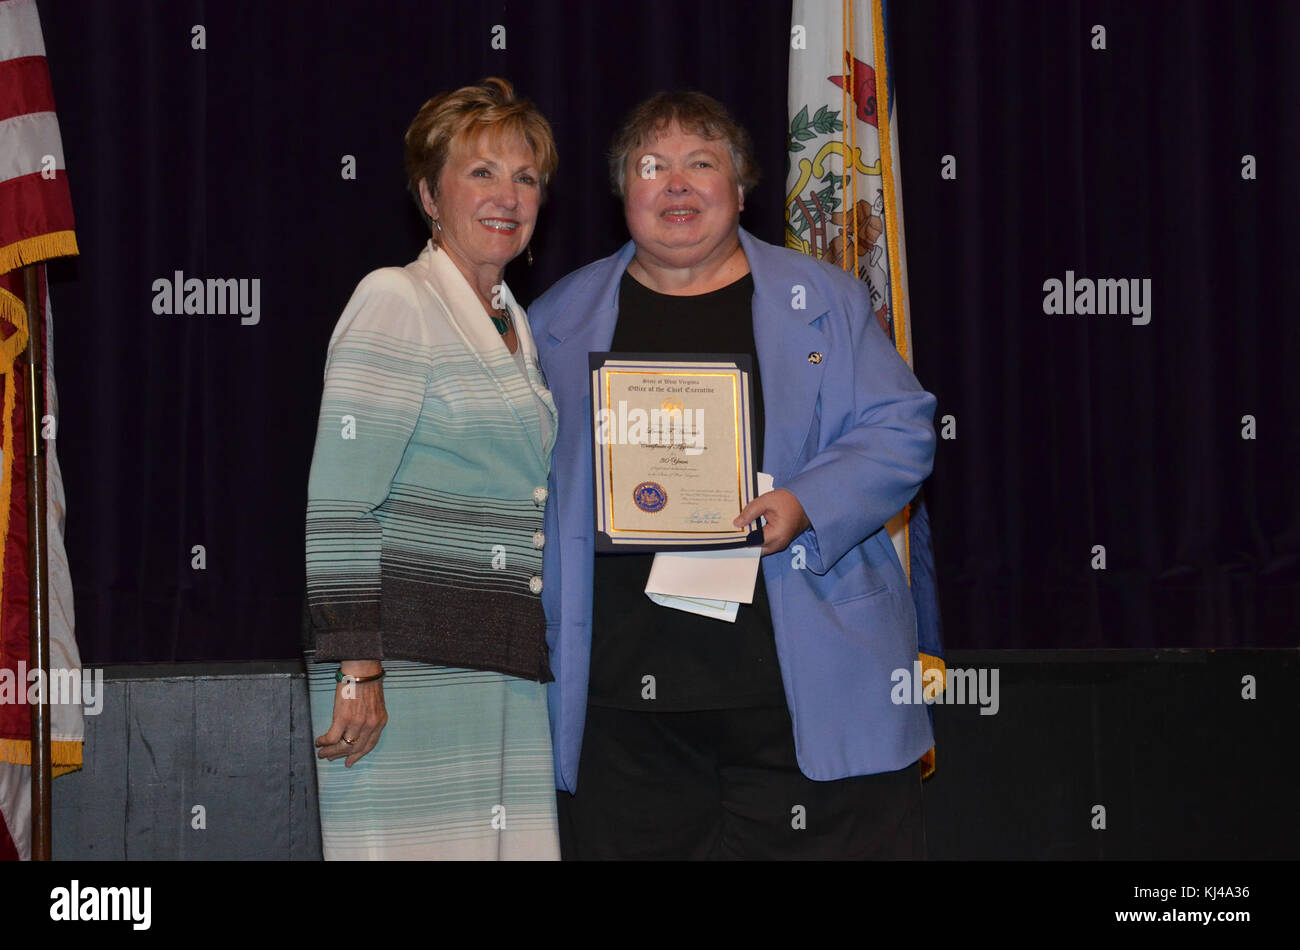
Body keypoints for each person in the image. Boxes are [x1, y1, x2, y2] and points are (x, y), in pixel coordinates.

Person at [528, 91, 937, 859]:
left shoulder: (827, 301)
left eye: (701, 164)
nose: (676, 183)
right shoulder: (555, 317)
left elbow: (903, 430)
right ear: (625, 193)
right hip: (624, 716)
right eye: (653, 167)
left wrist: (806, 504)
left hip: (797, 701)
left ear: (740, 191)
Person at [302, 77, 560, 860]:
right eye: (480, 172)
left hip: (502, 661)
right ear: (428, 193)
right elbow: (340, 505)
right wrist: (360, 670)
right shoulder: (396, 299)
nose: (506, 196)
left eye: (526, 177)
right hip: (399, 676)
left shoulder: (512, 318)